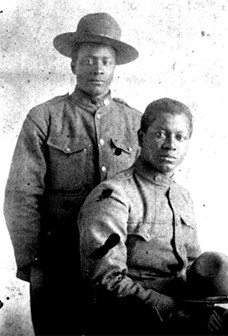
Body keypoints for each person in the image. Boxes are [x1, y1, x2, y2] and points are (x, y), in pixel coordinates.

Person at [4, 12, 141, 335]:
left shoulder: (135, 123)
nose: (97, 68)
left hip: (119, 266)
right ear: (73, 65)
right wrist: (33, 262)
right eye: (89, 59)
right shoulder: (44, 118)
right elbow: (21, 195)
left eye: (105, 60)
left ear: (114, 67)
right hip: (57, 264)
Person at [78, 98, 228, 335]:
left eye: (180, 137)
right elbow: (105, 280)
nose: (170, 145)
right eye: (161, 134)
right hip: (135, 316)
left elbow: (194, 267)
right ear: (141, 137)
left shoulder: (183, 197)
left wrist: (204, 309)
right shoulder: (114, 195)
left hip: (186, 309)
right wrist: (175, 311)